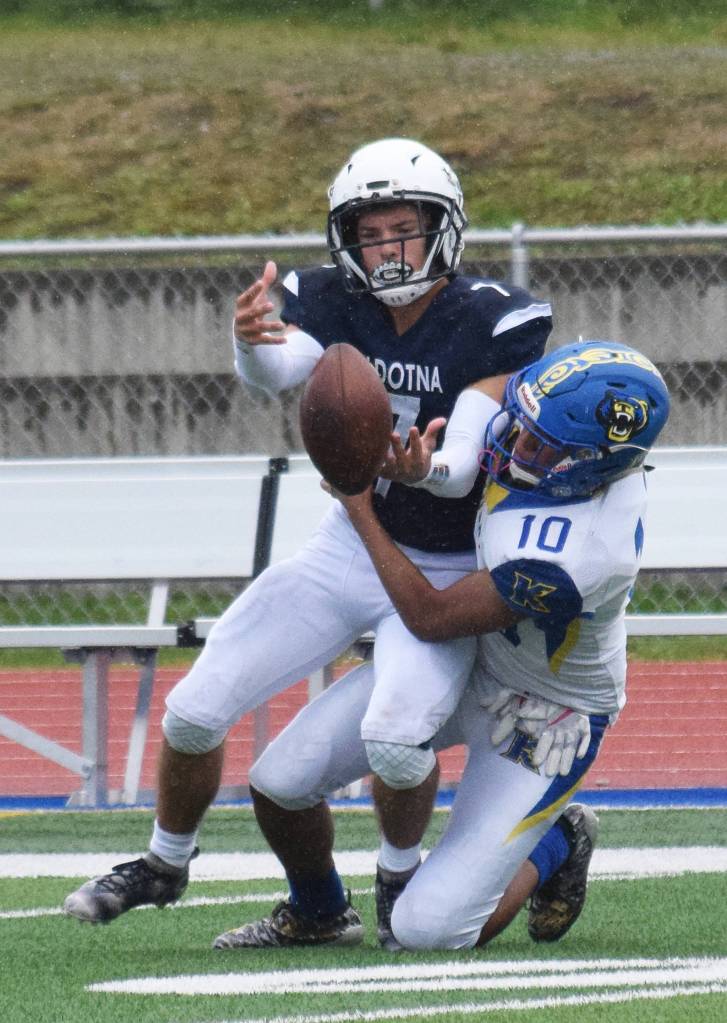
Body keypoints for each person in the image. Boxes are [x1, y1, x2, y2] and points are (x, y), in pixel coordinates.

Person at [63, 138, 552, 944]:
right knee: (192, 711)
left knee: (396, 743)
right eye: (370, 232)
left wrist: (422, 469)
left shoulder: (491, 314)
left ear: (444, 228)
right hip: (350, 544)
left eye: (404, 228)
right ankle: (164, 860)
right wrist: (249, 340)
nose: (386, 248)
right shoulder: (328, 299)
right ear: (345, 239)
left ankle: (398, 877)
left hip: (447, 566)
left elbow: (462, 464)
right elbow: (282, 367)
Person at [232, 339, 671, 950]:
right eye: (526, 422)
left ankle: (558, 839)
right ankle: (321, 912)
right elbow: (491, 392)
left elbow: (432, 616)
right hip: (474, 657)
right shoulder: (544, 427)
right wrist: (429, 469)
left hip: (546, 715)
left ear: (591, 465)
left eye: (542, 444)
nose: (518, 443)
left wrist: (362, 510)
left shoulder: (580, 551)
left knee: (426, 932)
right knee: (279, 779)